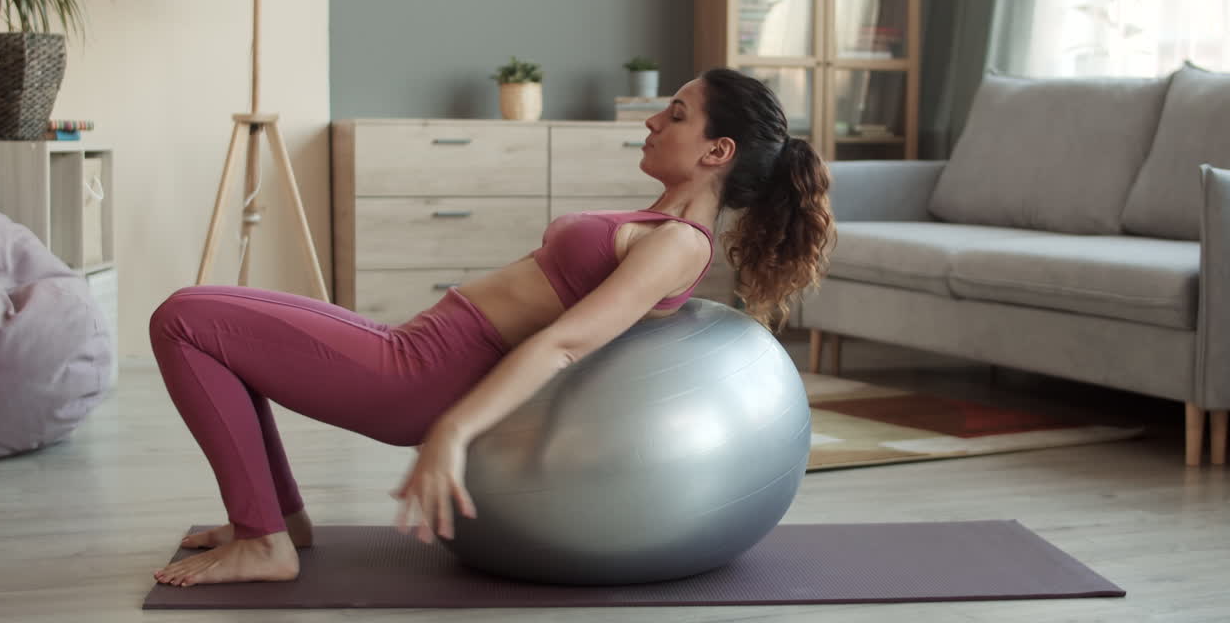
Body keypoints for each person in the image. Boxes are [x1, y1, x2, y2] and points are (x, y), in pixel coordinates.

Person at [148, 67, 837, 587]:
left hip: (415, 375)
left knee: (183, 319)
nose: (654, 121)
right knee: (208, 310)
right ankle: (280, 521)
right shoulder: (662, 223)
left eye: (676, 114)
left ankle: (263, 541)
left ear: (717, 151)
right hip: (411, 346)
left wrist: (450, 429)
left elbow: (568, 343)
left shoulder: (680, 244)